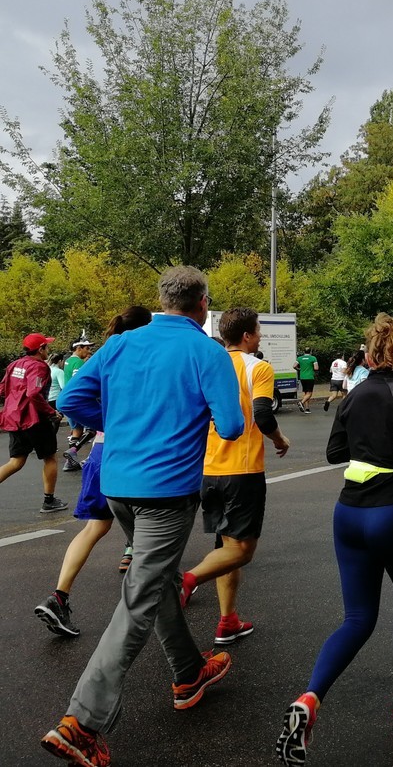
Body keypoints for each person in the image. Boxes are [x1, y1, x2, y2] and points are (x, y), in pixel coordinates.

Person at [41, 266, 244, 767]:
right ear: (202, 303)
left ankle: (189, 671)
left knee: (154, 581)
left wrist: (125, 424)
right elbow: (234, 425)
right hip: (166, 493)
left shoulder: (120, 344)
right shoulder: (206, 351)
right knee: (139, 599)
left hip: (117, 486)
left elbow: (70, 400)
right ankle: (80, 723)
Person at [276, 314, 393, 767]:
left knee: (357, 618)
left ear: (367, 356)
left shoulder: (354, 394)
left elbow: (334, 452)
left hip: (349, 512)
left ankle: (310, 698)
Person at [34, 307, 153, 639]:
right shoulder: (144, 358)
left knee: (94, 527)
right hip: (135, 454)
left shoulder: (103, 357)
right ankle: (160, 595)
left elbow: (71, 400)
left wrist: (105, 423)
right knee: (155, 523)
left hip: (100, 452)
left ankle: (59, 596)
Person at [181, 308, 291, 646]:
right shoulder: (257, 367)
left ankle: (227, 620)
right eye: (257, 330)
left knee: (225, 546)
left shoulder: (207, 365)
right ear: (246, 336)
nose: (259, 336)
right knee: (242, 551)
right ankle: (183, 582)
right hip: (241, 471)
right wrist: (278, 439)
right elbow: (261, 412)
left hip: (208, 469)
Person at [0, 333, 66, 513]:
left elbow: (3, 388)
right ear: (40, 349)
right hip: (34, 419)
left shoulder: (14, 364)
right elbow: (33, 393)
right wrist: (51, 412)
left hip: (14, 418)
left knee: (16, 462)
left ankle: (50, 501)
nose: (49, 350)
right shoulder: (39, 367)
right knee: (50, 457)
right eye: (47, 346)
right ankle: (49, 501)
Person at [62, 335, 95, 472]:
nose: (89, 351)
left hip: (67, 400)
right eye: (87, 348)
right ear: (79, 348)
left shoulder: (68, 361)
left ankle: (69, 462)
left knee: (77, 430)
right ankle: (74, 451)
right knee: (93, 429)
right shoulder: (78, 363)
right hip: (80, 401)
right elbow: (80, 382)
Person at [294, 348, 319, 413]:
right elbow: (316, 368)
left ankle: (307, 409)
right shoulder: (313, 358)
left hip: (302, 377)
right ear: (310, 351)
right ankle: (301, 402)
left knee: (306, 393)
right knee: (309, 393)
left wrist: (299, 369)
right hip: (310, 377)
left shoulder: (299, 358)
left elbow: (294, 366)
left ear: (304, 351)